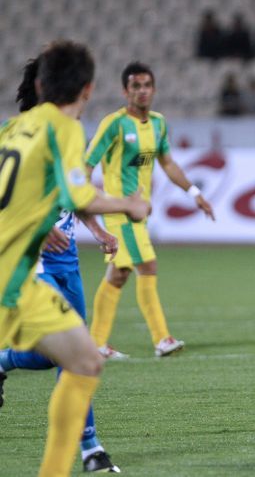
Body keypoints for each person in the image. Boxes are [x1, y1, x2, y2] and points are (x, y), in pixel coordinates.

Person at [0, 40, 149, 477]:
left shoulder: (12, 130)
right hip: (23, 272)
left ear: (41, 85)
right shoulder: (63, 128)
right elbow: (77, 193)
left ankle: (90, 450)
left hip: (39, 264)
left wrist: (92, 230)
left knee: (82, 358)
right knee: (77, 358)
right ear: (88, 89)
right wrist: (129, 204)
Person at [85, 62, 215, 359]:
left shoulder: (158, 123)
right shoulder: (114, 124)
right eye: (136, 86)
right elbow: (86, 165)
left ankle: (96, 343)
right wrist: (95, 199)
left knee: (119, 273)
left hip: (139, 213)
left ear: (154, 89)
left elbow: (167, 163)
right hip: (119, 212)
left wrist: (194, 193)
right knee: (147, 266)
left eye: (147, 86)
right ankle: (162, 339)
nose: (142, 91)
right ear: (125, 91)